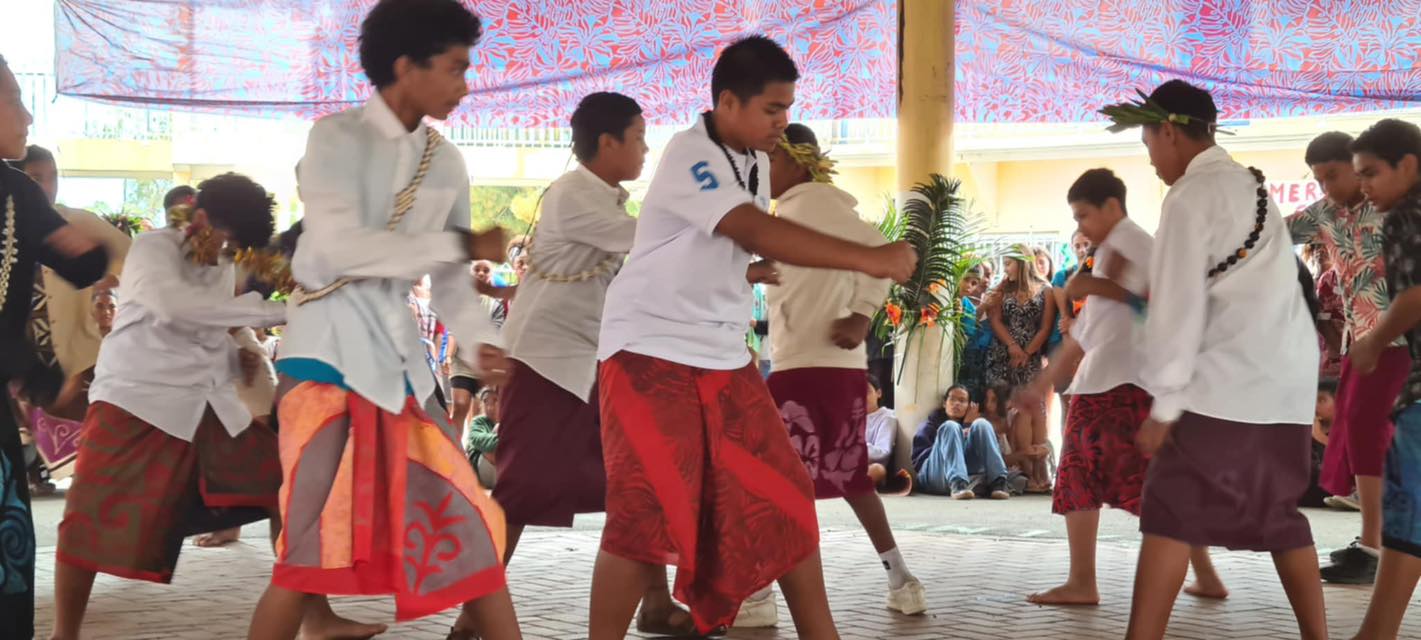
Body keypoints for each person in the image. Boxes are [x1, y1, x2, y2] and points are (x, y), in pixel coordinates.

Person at [590, 35, 915, 639]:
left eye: (788, 108)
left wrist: (742, 273)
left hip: (720, 354)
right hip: (647, 351)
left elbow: (710, 244)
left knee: (786, 493)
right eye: (772, 109)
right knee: (646, 512)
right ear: (728, 103)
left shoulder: (758, 163)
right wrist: (870, 259)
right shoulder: (690, 152)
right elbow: (749, 228)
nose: (782, 122)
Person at [246, 2, 520, 638]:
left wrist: (480, 342)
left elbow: (450, 283)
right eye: (455, 68)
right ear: (405, 66)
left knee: (466, 527)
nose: (465, 85)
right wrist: (460, 243)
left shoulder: (446, 161)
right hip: (322, 356)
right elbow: (343, 248)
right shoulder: (335, 138)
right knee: (306, 550)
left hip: (398, 369)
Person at [50, 174, 357, 640]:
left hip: (204, 404)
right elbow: (176, 309)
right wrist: (282, 311)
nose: (225, 254)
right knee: (85, 523)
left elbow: (202, 332)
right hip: (133, 402)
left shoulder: (222, 264)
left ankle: (318, 618)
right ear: (198, 218)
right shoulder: (153, 248)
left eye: (235, 248)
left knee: (289, 491)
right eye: (224, 241)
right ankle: (64, 634)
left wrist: (235, 359)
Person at [463, 91, 695, 638]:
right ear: (608, 142)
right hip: (548, 360)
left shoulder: (605, 199)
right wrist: (722, 224)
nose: (644, 150)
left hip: (596, 361)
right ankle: (471, 616)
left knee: (638, 483)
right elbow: (648, 242)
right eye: (638, 138)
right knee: (519, 492)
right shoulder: (573, 194)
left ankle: (655, 603)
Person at [1106, 80, 1324, 640]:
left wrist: (1165, 404)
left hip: (1226, 379)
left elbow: (1178, 305)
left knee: (1169, 512)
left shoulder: (1188, 196)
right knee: (1279, 514)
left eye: (1148, 144)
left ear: (1169, 132)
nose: (1150, 159)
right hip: (1285, 376)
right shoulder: (1253, 186)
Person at [1015, 168, 1224, 607]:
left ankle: (1082, 581)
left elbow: (1170, 306)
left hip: (1119, 382)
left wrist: (1099, 286)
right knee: (1157, 483)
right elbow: (1088, 333)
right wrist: (1043, 383)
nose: (1080, 226)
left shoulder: (1136, 245)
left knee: (1081, 476)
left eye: (1083, 215)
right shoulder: (1115, 248)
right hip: (1120, 378)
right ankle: (1204, 574)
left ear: (1111, 206)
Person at [759, 122, 926, 618]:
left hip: (807, 366)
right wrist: (861, 312)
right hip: (824, 366)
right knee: (848, 477)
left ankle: (759, 594)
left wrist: (863, 314)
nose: (761, 169)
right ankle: (901, 578)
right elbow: (875, 257)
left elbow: (886, 256)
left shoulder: (815, 206)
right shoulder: (795, 210)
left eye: (768, 159)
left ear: (796, 162)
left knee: (779, 480)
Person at [0, 54, 110, 640]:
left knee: (10, 563)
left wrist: (99, 257)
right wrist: (44, 384)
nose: (27, 116)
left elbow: (78, 261)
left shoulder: (19, 191)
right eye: (15, 99)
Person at [1288, 131, 1411, 586]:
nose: (1328, 187)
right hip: (1360, 343)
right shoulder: (1324, 213)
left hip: (1399, 340)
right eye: (1319, 179)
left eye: (1334, 175)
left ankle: (1378, 545)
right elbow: (1271, 233)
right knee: (1361, 433)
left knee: (1371, 431)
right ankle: (1374, 543)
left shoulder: (1397, 210)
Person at [1340, 117, 1421, 640]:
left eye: (1370, 172)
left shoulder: (1406, 217)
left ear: (1407, 165)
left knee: (1409, 513)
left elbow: (1416, 295)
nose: (1362, 184)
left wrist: (1372, 341)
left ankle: (1377, 632)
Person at [984, 248, 1054, 490]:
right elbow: (994, 320)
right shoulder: (1003, 289)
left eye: (1009, 263)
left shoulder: (1045, 289)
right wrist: (1013, 346)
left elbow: (1045, 327)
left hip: (1030, 358)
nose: (1005, 269)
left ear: (1022, 263)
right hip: (1002, 355)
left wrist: (1027, 353)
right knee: (1007, 410)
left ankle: (1038, 470)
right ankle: (1019, 472)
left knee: (1034, 411)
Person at [910, 385, 1012, 500]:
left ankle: (998, 483)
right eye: (952, 399)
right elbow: (918, 461)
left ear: (969, 406)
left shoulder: (973, 427)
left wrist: (967, 428)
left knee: (982, 424)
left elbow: (992, 451)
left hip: (967, 476)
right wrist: (960, 431)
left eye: (962, 401)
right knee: (950, 426)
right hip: (936, 475)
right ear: (944, 403)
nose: (956, 404)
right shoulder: (930, 425)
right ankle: (958, 484)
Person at [1302, 378, 1339, 508]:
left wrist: (1320, 437)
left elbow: (1349, 461)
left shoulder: (1346, 430)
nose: (1315, 406)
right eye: (1312, 401)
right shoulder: (1307, 429)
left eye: (1321, 400)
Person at [465, 385, 499, 489]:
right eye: (485, 402)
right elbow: (479, 440)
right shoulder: (478, 422)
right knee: (498, 428)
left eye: (495, 401)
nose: (490, 407)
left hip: (503, 467)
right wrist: (508, 439)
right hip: (482, 468)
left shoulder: (510, 419)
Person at [865, 374, 896, 485]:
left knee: (878, 470)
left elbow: (883, 452)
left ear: (878, 393)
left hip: (868, 467)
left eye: (866, 391)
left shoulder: (887, 417)